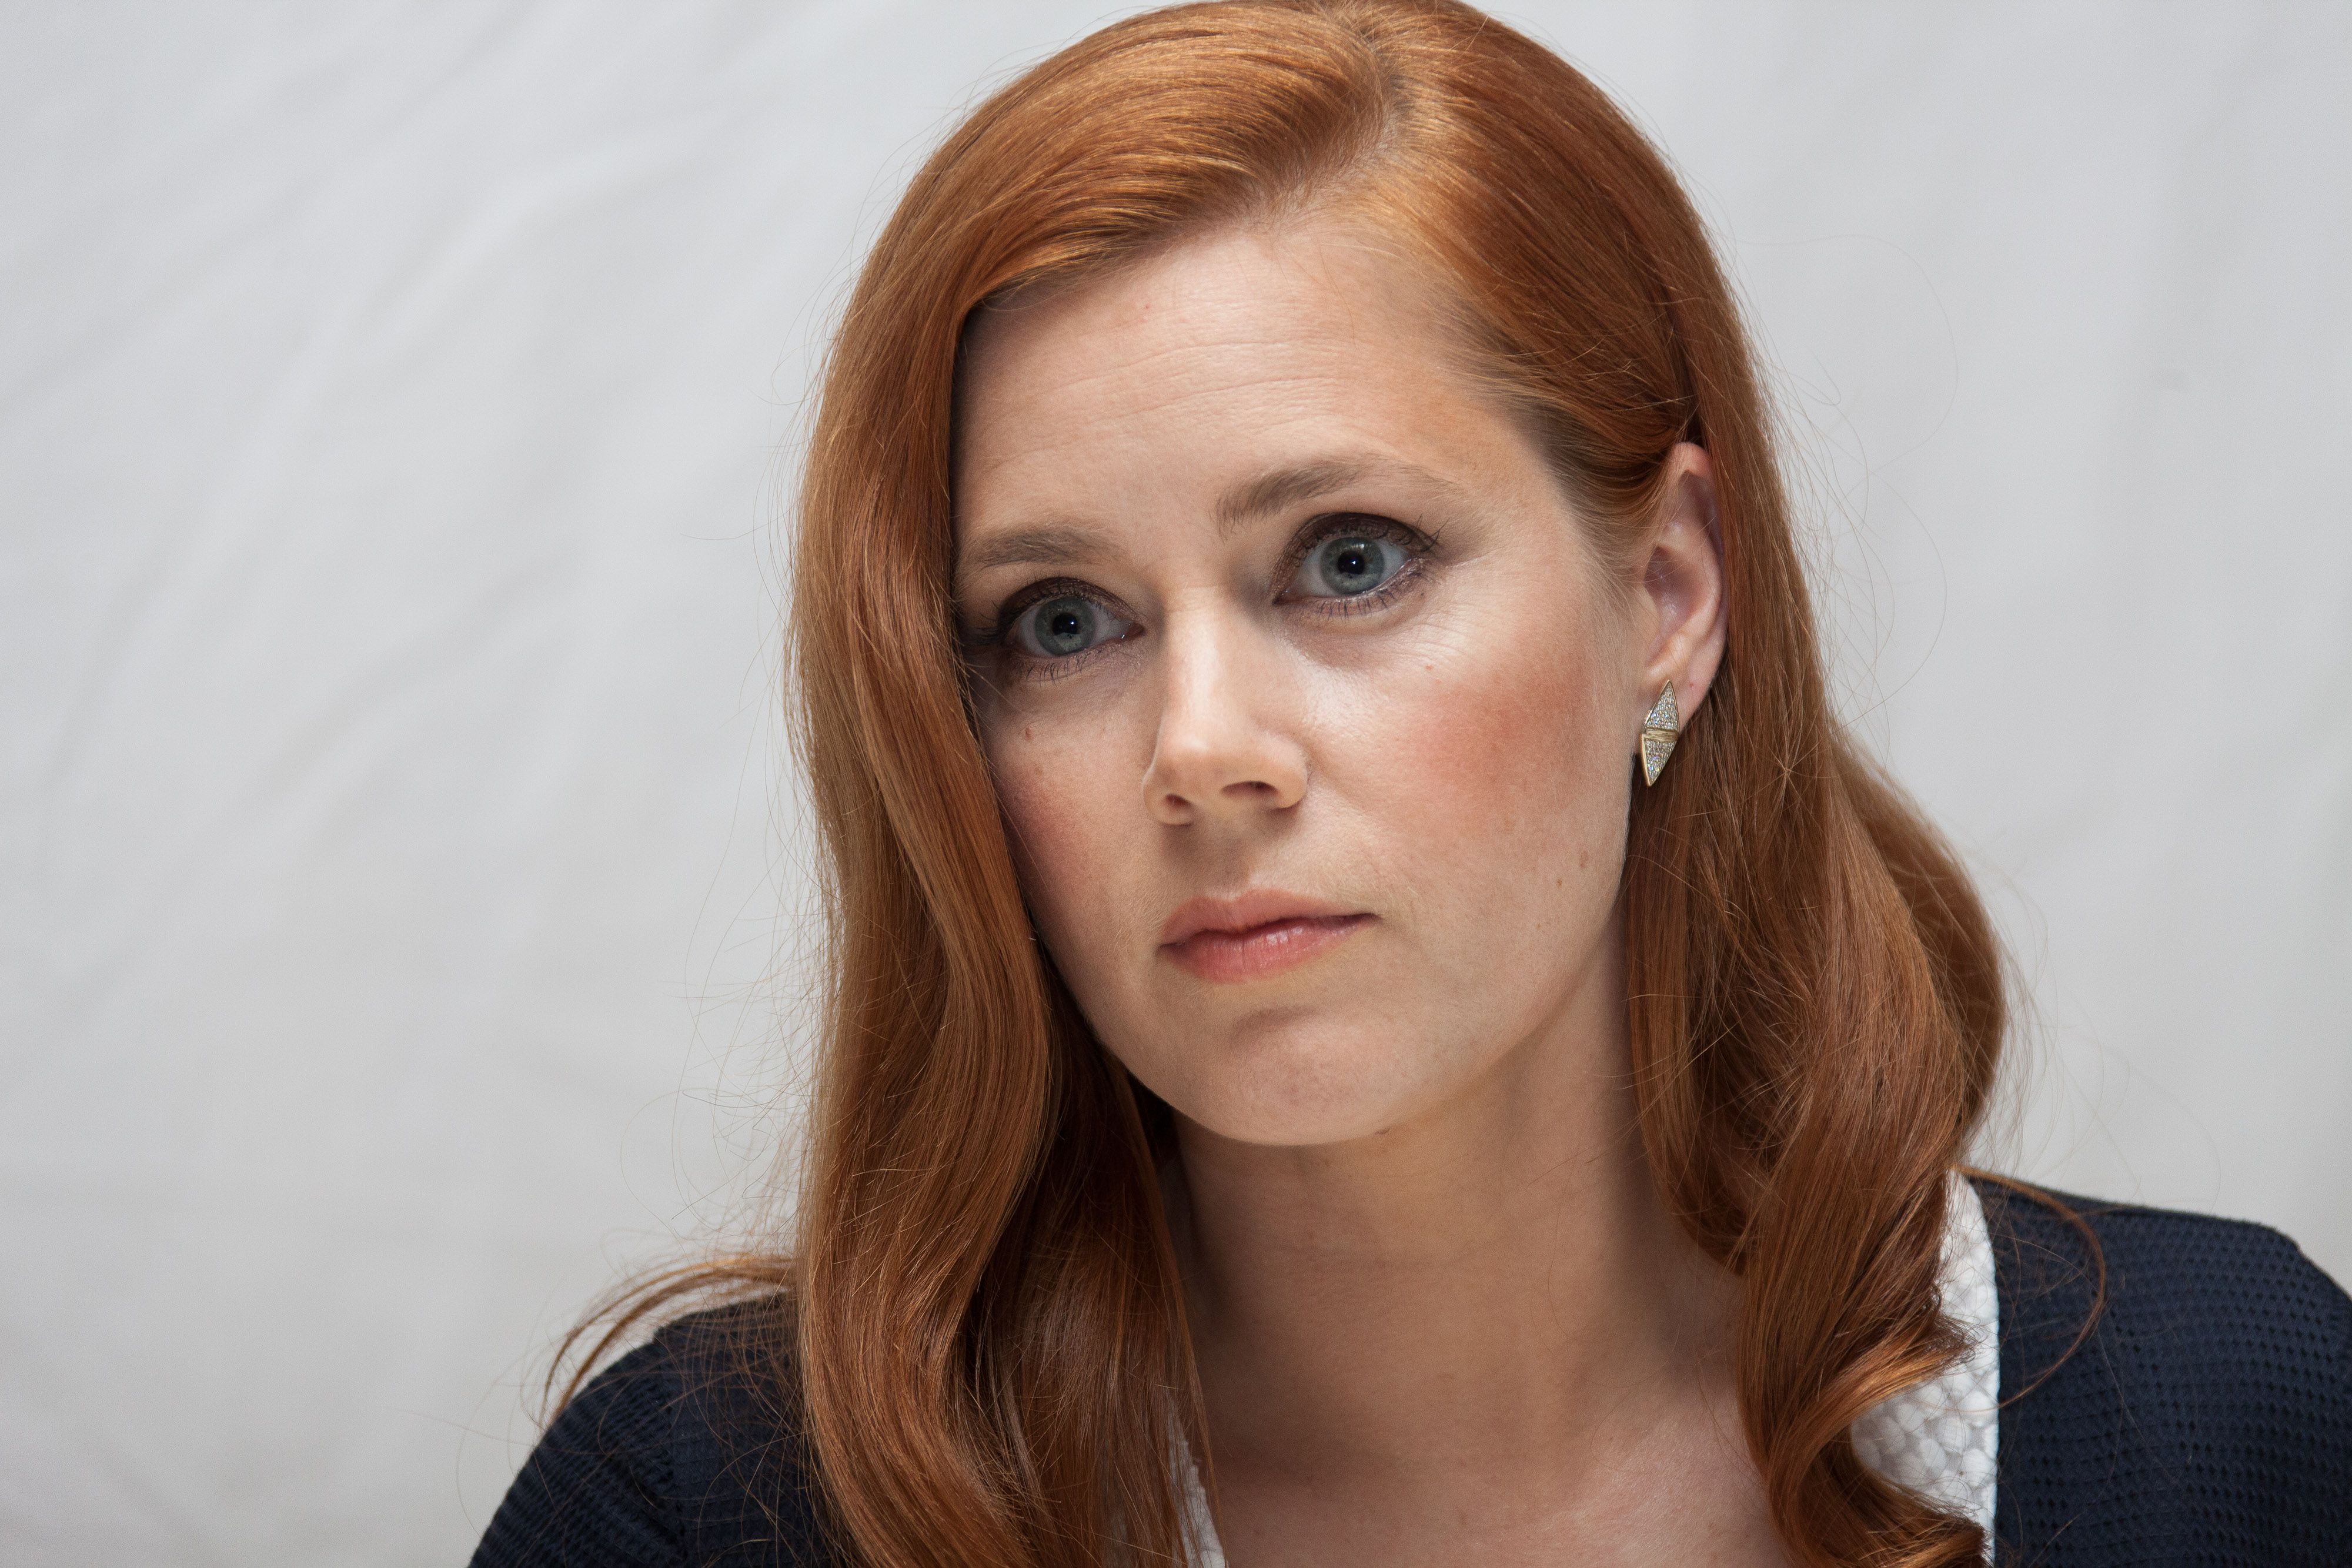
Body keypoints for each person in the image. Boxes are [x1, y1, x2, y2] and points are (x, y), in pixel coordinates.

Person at [470, 2, 2352, 1563]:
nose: (1203, 750)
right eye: (1061, 622)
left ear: (1668, 594)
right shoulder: (706, 1514)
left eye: (1349, 559)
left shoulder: (2243, 1424)